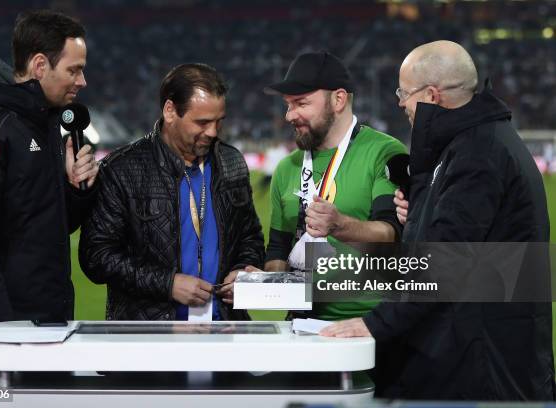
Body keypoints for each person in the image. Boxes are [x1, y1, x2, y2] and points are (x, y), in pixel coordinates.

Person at [321, 40, 555, 400]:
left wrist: (374, 323)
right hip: (478, 350)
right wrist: (422, 210)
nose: (400, 102)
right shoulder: (470, 144)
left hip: (483, 364)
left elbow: (443, 263)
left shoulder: (478, 154)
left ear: (431, 96)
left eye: (404, 92)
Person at [0, 10, 98, 391]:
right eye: (74, 70)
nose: (83, 81)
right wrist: (5, 335)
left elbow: (43, 224)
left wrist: (75, 192)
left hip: (44, 330)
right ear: (40, 65)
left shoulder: (44, 124)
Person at [79, 63, 264, 321]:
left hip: (224, 330)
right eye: (202, 122)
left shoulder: (231, 162)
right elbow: (96, 257)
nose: (212, 132)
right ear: (170, 111)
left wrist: (242, 270)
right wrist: (167, 283)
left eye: (218, 121)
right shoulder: (123, 169)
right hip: (151, 336)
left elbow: (249, 237)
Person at [259, 51, 407, 321]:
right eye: (288, 104)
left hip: (368, 325)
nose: (289, 115)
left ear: (338, 99)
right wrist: (269, 280)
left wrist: (339, 225)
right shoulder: (286, 168)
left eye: (301, 103)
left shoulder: (384, 152)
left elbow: (391, 236)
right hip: (301, 325)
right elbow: (278, 248)